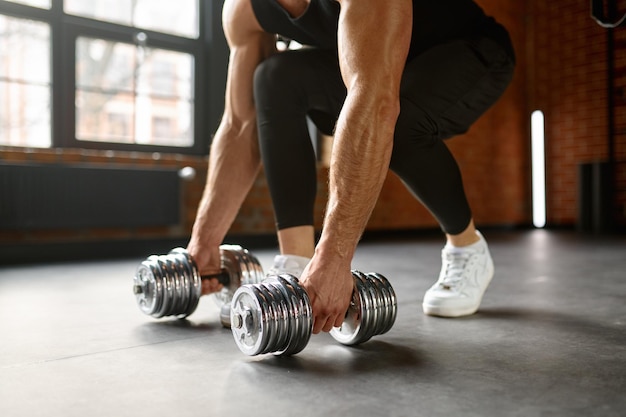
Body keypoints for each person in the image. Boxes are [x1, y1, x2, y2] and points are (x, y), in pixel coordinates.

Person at [187, 0, 516, 334]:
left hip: (469, 50)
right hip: (378, 61)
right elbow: (240, 125)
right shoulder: (243, 10)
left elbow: (377, 104)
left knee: (398, 124)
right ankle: (296, 263)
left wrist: (335, 260)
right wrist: (204, 241)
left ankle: (468, 248)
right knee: (275, 76)